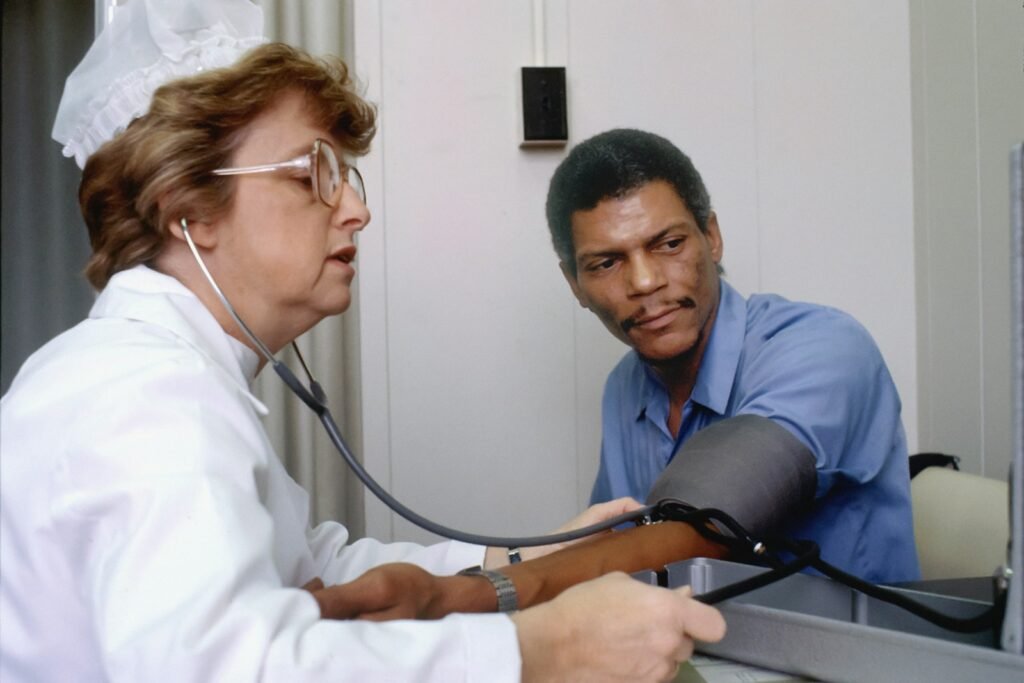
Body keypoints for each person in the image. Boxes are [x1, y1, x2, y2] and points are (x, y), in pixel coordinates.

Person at [0, 3, 724, 682]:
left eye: (346, 177)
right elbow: (230, 666)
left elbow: (316, 567)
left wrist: (524, 555)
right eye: (312, 173)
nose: (355, 209)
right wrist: (541, 648)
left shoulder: (163, 378)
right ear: (188, 209)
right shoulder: (145, 397)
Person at [544, 128, 920, 584]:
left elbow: (706, 520)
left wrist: (492, 586)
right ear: (575, 285)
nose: (644, 282)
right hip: (693, 629)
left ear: (712, 236)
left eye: (669, 244)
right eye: (606, 263)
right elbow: (613, 558)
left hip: (852, 632)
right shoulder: (623, 388)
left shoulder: (826, 347)